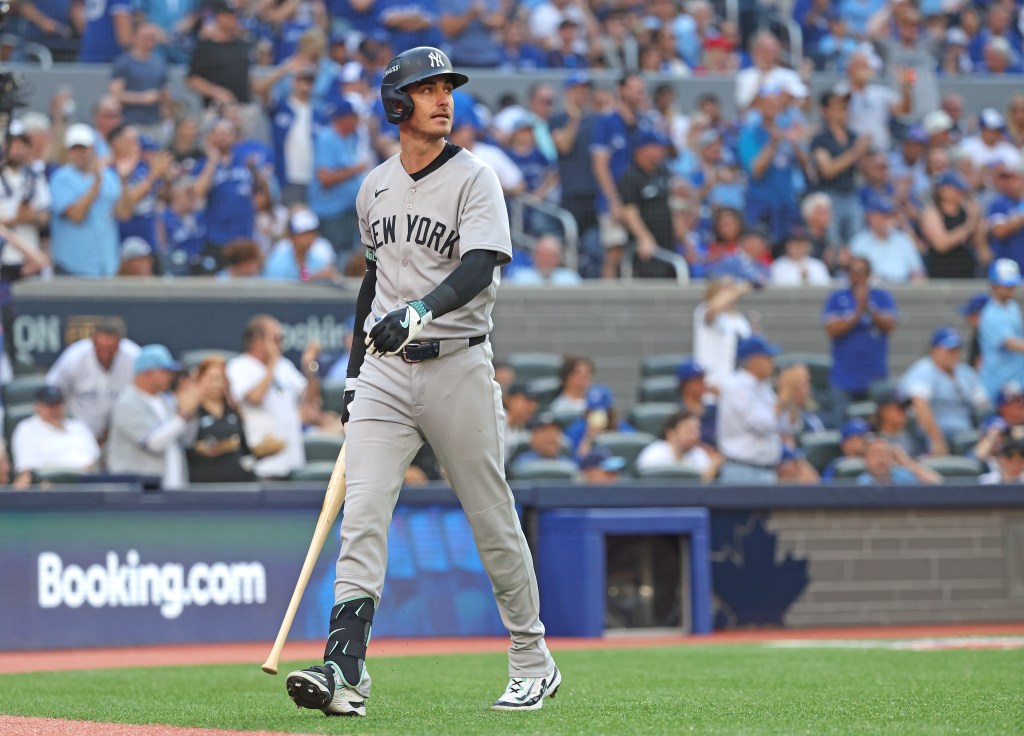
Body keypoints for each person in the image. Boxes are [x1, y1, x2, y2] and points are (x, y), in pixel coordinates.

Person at [285, 48, 559, 718]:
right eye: (427, 89)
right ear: (397, 104)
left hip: (457, 361)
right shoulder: (373, 185)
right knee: (365, 513)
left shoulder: (475, 176)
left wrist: (419, 311)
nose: (442, 99)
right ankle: (344, 670)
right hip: (384, 372)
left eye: (446, 89)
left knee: (490, 515)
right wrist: (353, 374)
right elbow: (372, 283)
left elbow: (482, 265)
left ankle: (533, 657)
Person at [226, 315, 319, 480]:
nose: (281, 344)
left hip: (292, 460)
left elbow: (310, 399)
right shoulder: (238, 367)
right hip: (262, 464)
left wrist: (309, 366)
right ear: (257, 340)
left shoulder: (284, 366)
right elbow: (255, 398)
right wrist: (272, 364)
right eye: (276, 338)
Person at [107, 344, 201, 489]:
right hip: (139, 492)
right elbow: (153, 443)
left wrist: (191, 413)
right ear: (147, 372)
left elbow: (185, 441)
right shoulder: (127, 402)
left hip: (174, 487)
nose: (170, 376)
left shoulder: (166, 400)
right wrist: (184, 415)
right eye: (165, 371)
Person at [822, 257, 898, 427]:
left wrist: (868, 308)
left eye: (860, 271)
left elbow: (890, 325)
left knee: (879, 424)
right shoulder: (837, 298)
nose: (855, 276)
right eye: (851, 271)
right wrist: (857, 312)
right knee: (840, 424)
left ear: (869, 274)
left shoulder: (882, 296)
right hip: (844, 376)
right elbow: (832, 329)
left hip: (875, 375)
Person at [49, 124, 133, 277]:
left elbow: (124, 213)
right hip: (73, 266)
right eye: (75, 149)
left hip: (106, 265)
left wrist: (123, 178)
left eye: (83, 148)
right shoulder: (61, 178)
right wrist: (96, 185)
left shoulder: (110, 177)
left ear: (93, 149)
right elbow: (76, 216)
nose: (79, 154)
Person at [899, 327, 990, 456]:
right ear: (935, 350)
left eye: (956, 350)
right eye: (949, 350)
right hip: (934, 436)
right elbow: (919, 404)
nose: (954, 354)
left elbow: (983, 405)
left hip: (966, 434)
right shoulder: (924, 370)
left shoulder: (965, 373)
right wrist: (937, 440)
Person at [717, 335, 796, 484]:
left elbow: (787, 425)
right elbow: (763, 424)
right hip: (741, 469)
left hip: (766, 469)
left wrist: (790, 395)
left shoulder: (764, 387)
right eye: (767, 357)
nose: (772, 362)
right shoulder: (735, 386)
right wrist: (784, 396)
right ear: (754, 360)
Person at [46, 318, 140, 442]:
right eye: (101, 348)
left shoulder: (134, 357)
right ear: (93, 342)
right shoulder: (75, 357)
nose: (105, 354)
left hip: (121, 434)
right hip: (79, 435)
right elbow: (52, 391)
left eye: (110, 348)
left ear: (119, 344)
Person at [811, 88, 871, 245]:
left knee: (857, 242)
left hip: (851, 193)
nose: (843, 111)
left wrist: (864, 155)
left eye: (845, 107)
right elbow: (827, 170)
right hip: (829, 195)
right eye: (837, 107)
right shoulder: (821, 138)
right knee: (833, 243)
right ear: (825, 111)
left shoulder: (853, 137)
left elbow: (864, 170)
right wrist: (856, 152)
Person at [11, 386, 101, 486]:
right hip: (50, 487)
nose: (55, 409)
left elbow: (96, 461)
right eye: (50, 405)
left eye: (58, 404)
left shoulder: (79, 427)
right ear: (38, 406)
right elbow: (27, 472)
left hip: (86, 484)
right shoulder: (26, 429)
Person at [186, 356, 257, 483]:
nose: (216, 384)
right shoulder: (191, 412)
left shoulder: (234, 411)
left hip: (237, 480)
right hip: (203, 481)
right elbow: (183, 446)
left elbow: (245, 449)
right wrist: (199, 449)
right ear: (199, 379)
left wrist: (261, 452)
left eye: (221, 379)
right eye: (211, 379)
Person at [849, 193, 926, 284]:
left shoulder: (903, 240)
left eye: (889, 215)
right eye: (882, 215)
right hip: (872, 292)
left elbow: (918, 272)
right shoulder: (859, 242)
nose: (887, 219)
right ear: (871, 216)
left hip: (903, 292)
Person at [693, 277, 752, 391]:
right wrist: (738, 290)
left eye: (731, 287)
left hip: (735, 376)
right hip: (712, 377)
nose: (730, 292)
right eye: (725, 288)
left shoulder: (739, 318)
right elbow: (714, 308)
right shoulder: (704, 309)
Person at [919, 171, 980, 279]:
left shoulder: (967, 211)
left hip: (967, 273)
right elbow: (941, 244)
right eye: (956, 189)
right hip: (941, 274)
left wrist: (977, 219)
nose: (960, 192)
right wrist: (970, 224)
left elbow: (981, 246)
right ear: (943, 190)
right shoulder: (932, 212)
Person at [979, 259, 1024, 402]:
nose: (1010, 289)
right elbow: (1011, 344)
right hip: (998, 384)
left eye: (1012, 285)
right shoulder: (990, 315)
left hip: (1017, 379)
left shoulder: (1012, 306)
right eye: (1006, 285)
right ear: (993, 285)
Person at [636, 410, 721, 481]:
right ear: (671, 433)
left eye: (696, 431)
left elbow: (702, 491)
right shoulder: (653, 453)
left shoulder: (699, 454)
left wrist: (713, 466)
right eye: (689, 431)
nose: (694, 436)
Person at [263, 209, 337, 282]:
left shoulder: (317, 260)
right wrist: (313, 278)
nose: (309, 238)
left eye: (312, 233)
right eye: (303, 234)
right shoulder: (278, 260)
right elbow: (276, 290)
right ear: (292, 236)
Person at [855, 435, 942, 486]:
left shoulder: (903, 477)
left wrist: (906, 462)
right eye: (876, 453)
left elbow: (936, 482)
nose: (882, 457)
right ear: (866, 459)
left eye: (886, 453)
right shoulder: (862, 482)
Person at [505, 235, 582, 286]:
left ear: (558, 258)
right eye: (543, 255)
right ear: (535, 256)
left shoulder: (570, 279)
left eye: (551, 256)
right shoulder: (520, 278)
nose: (546, 260)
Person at [873, 389, 927, 458]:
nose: (903, 411)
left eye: (905, 408)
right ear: (883, 411)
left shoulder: (915, 435)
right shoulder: (872, 439)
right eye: (899, 407)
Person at [676, 358, 717, 447]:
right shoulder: (678, 412)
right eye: (698, 380)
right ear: (685, 385)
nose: (703, 383)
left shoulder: (713, 409)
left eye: (703, 379)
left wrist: (722, 397)